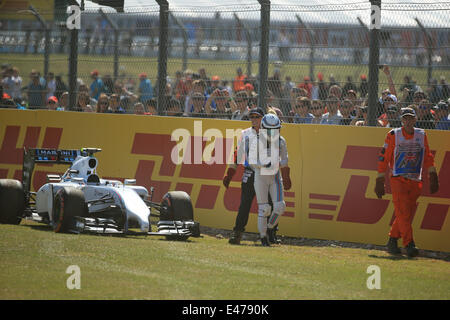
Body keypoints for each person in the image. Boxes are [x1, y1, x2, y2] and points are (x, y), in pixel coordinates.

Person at [375, 107, 439, 257]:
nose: (408, 121)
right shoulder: (393, 135)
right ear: (402, 120)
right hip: (398, 180)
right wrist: (379, 179)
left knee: (405, 214)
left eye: (411, 118)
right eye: (405, 119)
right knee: (403, 213)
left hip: (416, 180)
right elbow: (383, 158)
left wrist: (433, 175)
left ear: (415, 119)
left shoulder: (422, 135)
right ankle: (409, 244)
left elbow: (428, 156)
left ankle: (392, 241)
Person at [223, 107, 265, 245]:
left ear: (263, 118)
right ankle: (237, 233)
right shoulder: (245, 134)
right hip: (250, 172)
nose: (254, 120)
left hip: (266, 174)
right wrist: (230, 174)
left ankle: (268, 235)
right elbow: (237, 155)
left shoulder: (271, 133)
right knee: (244, 205)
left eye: (257, 117)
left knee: (267, 205)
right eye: (251, 117)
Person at [251, 113, 291, 246]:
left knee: (280, 206)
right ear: (263, 128)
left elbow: (284, 159)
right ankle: (263, 237)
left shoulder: (281, 141)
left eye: (276, 130)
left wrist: (286, 176)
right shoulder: (256, 141)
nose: (273, 133)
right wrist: (262, 163)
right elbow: (251, 161)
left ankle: (269, 228)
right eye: (270, 130)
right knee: (264, 208)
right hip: (261, 177)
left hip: (275, 177)